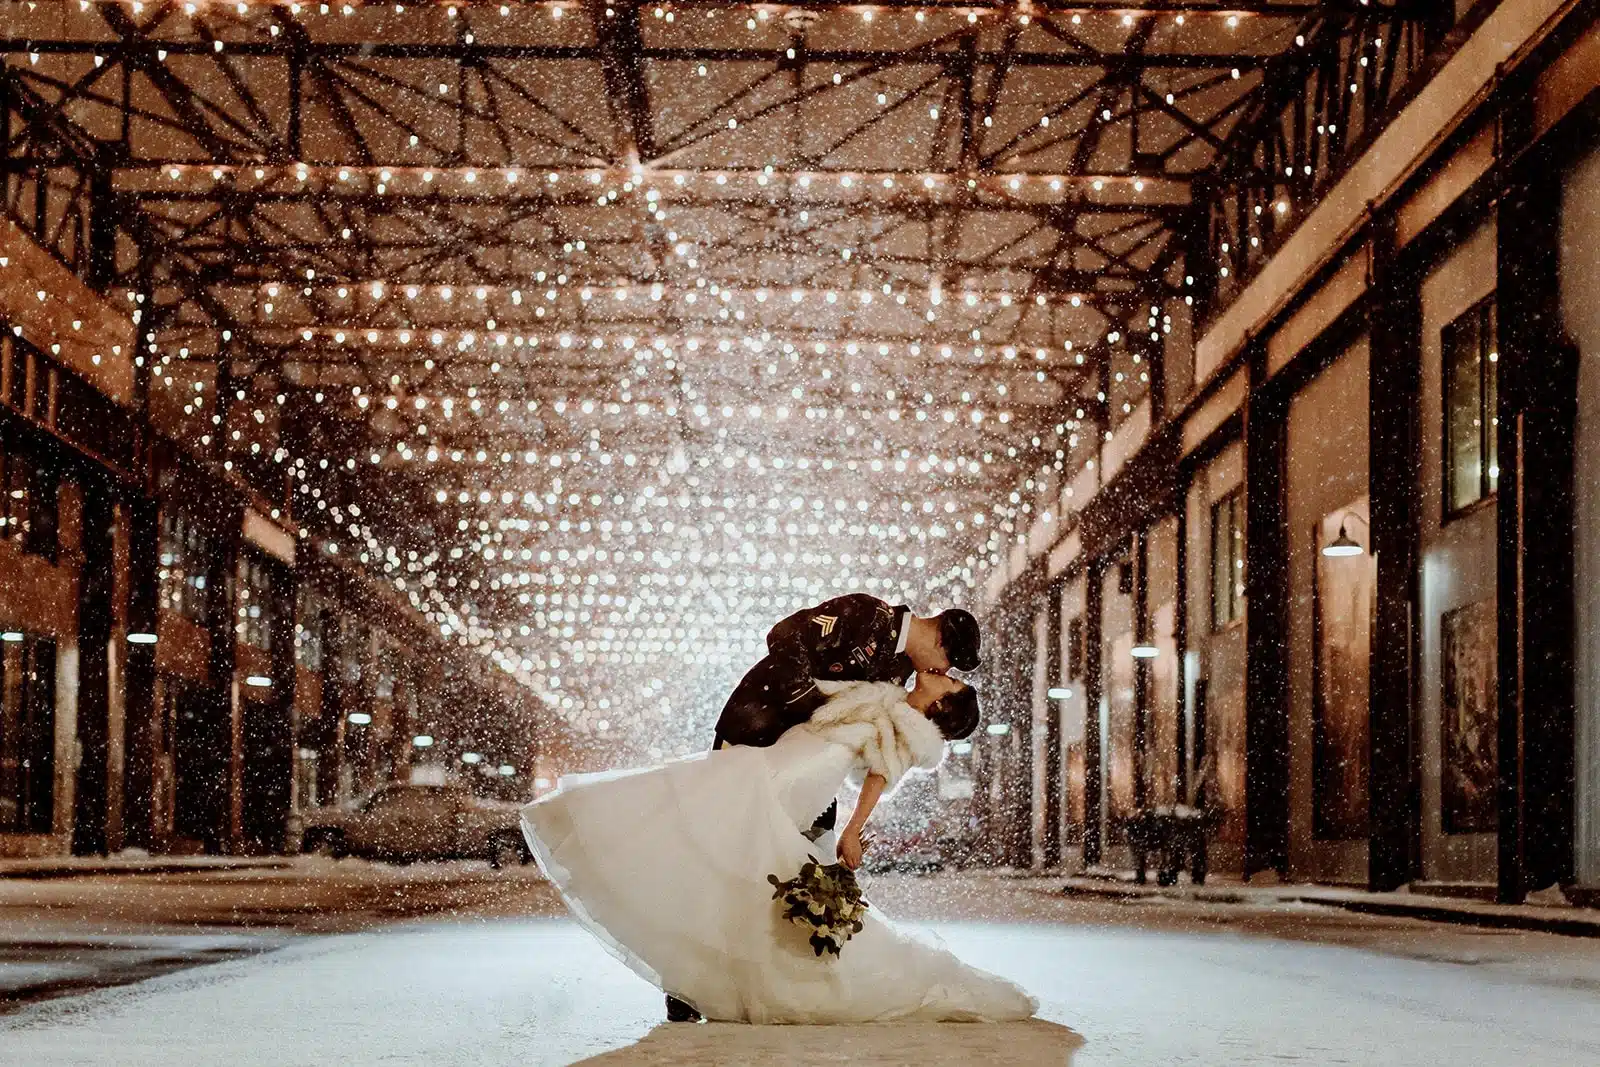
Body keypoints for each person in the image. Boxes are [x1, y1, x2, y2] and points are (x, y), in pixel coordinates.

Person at [520, 673, 1037, 1025]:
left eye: (949, 679)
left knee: (722, 835)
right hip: (779, 760)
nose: (942, 671)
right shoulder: (889, 693)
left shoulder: (912, 730)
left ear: (942, 704)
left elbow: (878, 779)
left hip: (800, 778)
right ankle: (694, 982)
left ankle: (695, 985)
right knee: (704, 824)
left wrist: (853, 832)